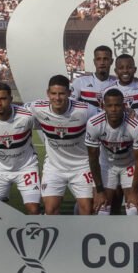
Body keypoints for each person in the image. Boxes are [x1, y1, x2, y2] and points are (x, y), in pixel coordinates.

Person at [29, 75, 98, 215]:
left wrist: (127, 112)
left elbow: (106, 118)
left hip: (81, 167)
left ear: (69, 93)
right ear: (48, 93)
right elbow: (14, 111)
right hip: (54, 168)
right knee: (50, 209)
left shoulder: (85, 110)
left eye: (62, 93)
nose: (57, 98)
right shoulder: (37, 108)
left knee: (87, 210)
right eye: (53, 94)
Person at [0, 82, 41, 215]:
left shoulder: (27, 116)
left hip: (26, 168)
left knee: (33, 210)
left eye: (3, 99)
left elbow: (47, 122)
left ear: (10, 99)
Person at [86, 89, 138, 216]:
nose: (114, 109)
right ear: (103, 107)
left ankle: (133, 235)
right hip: (107, 164)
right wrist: (99, 190)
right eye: (109, 105)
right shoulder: (94, 124)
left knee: (134, 209)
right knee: (101, 209)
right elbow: (93, 159)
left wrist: (134, 190)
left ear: (124, 106)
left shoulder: (136, 125)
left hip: (130, 165)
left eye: (117, 105)